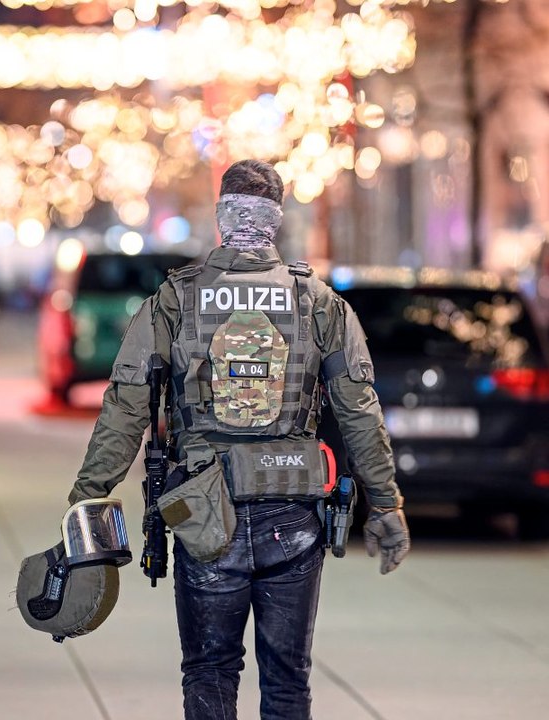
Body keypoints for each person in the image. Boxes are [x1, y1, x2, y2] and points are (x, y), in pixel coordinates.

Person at [67, 159, 410, 720]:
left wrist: (86, 498)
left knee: (209, 672)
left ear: (222, 216)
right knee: (287, 683)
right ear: (276, 221)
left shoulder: (175, 301)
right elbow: (359, 412)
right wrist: (386, 504)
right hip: (294, 514)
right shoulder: (320, 304)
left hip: (205, 516)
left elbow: (126, 406)